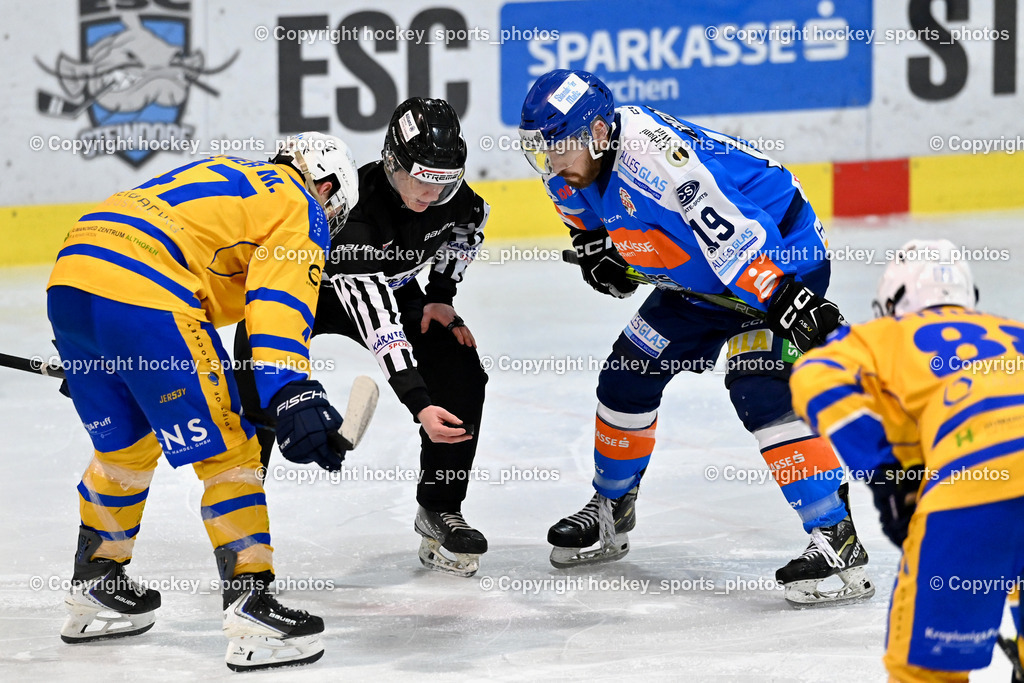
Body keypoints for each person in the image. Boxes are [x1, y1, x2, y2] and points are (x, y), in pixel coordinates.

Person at [517, 69, 871, 607]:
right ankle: (612, 507)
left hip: (776, 262)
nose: (551, 162)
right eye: (543, 149)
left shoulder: (659, 162)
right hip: (698, 277)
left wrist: (786, 302)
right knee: (625, 376)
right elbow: (584, 219)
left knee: (760, 387)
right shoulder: (569, 166)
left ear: (597, 134)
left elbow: (733, 233)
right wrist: (595, 251)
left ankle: (836, 538)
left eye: (560, 147)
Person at [47, 132, 360, 671]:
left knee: (127, 449)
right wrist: (290, 390)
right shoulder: (297, 202)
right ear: (327, 184)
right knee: (233, 453)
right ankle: (252, 607)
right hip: (146, 290)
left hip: (72, 281)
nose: (328, 221)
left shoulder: (230, 174)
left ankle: (97, 581)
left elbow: (132, 239)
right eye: (334, 209)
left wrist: (103, 349)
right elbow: (279, 303)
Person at [235, 98, 490, 577]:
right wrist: (417, 400)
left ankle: (440, 508)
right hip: (302, 291)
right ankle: (239, 527)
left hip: (392, 288)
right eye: (418, 178)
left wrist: (440, 295)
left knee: (460, 372)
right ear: (391, 162)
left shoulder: (459, 200)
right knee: (257, 391)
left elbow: (469, 227)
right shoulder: (359, 213)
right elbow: (379, 322)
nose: (428, 194)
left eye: (442, 182)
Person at [790, 239, 1024, 681]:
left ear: (894, 301)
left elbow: (813, 377)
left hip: (971, 491)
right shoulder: (1014, 331)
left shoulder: (886, 335)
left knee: (924, 673)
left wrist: (887, 476)